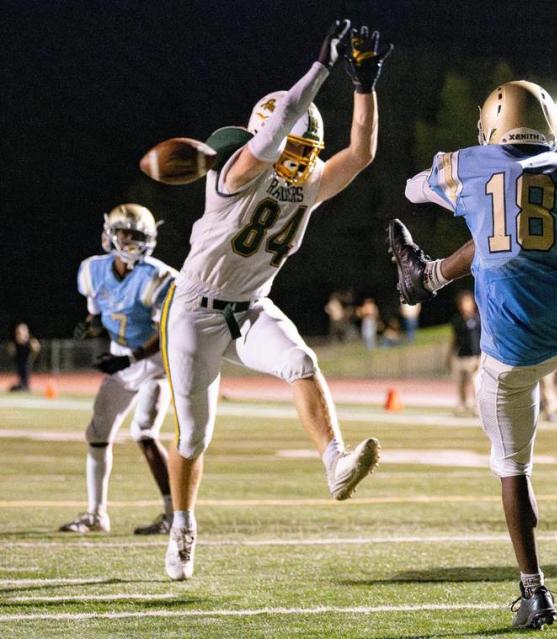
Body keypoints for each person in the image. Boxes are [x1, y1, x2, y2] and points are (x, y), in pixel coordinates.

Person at [387, 80, 557, 628]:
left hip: (510, 344)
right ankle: (431, 275)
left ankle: (533, 591)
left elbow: (411, 191)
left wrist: (457, 180)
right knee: (497, 235)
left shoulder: (468, 164)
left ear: (494, 121)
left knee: (512, 468)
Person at [149, 20, 389, 580]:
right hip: (195, 311)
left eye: (308, 151)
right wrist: (322, 67)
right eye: (293, 149)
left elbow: (361, 153)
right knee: (193, 435)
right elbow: (277, 128)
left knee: (302, 363)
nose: (301, 162)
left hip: (252, 306)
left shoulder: (306, 182)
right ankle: (183, 524)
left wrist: (364, 84)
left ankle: (336, 463)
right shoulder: (236, 173)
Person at [60, 204, 177, 535]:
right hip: (123, 359)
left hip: (155, 363)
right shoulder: (92, 271)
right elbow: (97, 312)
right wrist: (91, 327)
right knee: (97, 434)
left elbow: (167, 332)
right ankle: (97, 515)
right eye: (124, 234)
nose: (129, 242)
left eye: (137, 236)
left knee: (144, 432)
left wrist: (129, 358)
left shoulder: (158, 276)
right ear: (109, 236)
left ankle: (173, 514)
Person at [449, 290, 481, 416]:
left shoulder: (478, 319)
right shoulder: (457, 320)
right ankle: (462, 405)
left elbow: (483, 339)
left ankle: (477, 407)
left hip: (474, 357)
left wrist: (481, 357)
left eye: (467, 302)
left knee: (475, 384)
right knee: (460, 384)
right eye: (462, 302)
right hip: (460, 356)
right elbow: (453, 339)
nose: (464, 305)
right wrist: (449, 356)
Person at [7, 323, 40, 392]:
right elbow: (11, 351)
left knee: (25, 378)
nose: (19, 334)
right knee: (20, 378)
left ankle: (24, 386)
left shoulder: (30, 341)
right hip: (19, 362)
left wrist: (35, 346)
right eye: (18, 332)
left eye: (21, 332)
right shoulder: (15, 342)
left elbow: (36, 348)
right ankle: (21, 386)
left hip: (26, 363)